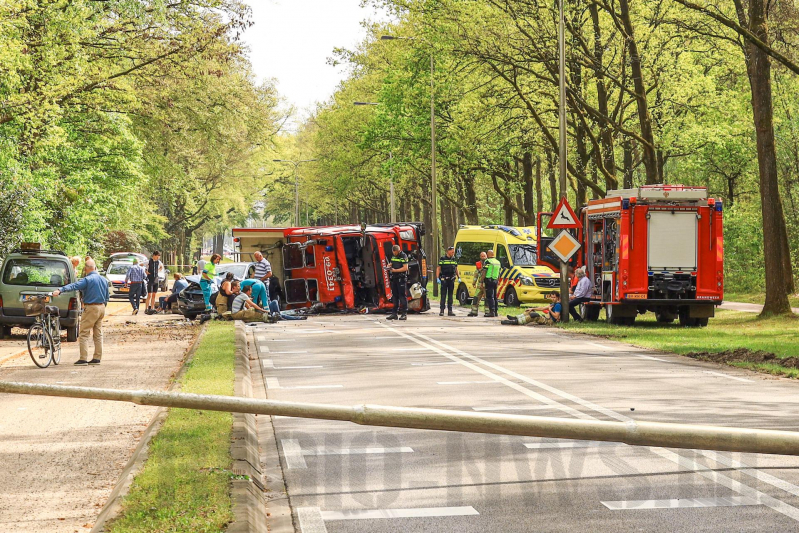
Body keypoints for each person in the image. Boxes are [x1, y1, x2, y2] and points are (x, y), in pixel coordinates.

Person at [53, 259, 109, 365]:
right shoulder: (104, 279)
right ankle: (97, 358)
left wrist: (60, 290)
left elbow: (74, 286)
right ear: (95, 268)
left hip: (91, 308)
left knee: (84, 333)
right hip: (101, 307)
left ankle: (83, 358)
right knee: (98, 333)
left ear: (86, 269)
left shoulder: (87, 280)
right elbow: (107, 296)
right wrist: (103, 305)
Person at [386, 245, 409, 320]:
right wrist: (389, 266)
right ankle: (394, 313)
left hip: (401, 278)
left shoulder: (403, 256)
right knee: (395, 296)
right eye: (393, 252)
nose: (394, 254)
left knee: (402, 296)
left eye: (395, 252)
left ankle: (404, 313)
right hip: (394, 278)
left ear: (398, 251)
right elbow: (391, 263)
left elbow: (405, 268)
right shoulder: (393, 256)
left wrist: (395, 270)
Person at [436, 246, 458, 317]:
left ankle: (450, 311)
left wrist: (459, 276)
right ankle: (442, 310)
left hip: (451, 279)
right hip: (444, 279)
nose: (453, 253)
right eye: (452, 252)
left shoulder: (454, 259)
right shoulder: (442, 259)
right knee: (443, 295)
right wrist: (437, 278)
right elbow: (438, 269)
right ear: (448, 251)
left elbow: (456, 269)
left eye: (453, 252)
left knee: (450, 295)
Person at [467, 252, 488, 317]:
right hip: (479, 284)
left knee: (487, 298)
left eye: (484, 256)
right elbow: (476, 274)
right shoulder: (478, 264)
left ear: (486, 256)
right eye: (482, 256)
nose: (483, 257)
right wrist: (474, 282)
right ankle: (474, 311)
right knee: (476, 297)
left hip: (487, 284)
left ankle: (487, 312)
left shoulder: (489, 263)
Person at [483, 249, 501, 318]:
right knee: (495, 296)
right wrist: (498, 280)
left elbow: (484, 271)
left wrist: (481, 280)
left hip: (489, 280)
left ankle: (491, 312)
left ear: (489, 254)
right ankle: (496, 311)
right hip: (495, 280)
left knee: (490, 296)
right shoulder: (498, 262)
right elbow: (499, 272)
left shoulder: (487, 261)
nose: (486, 255)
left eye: (487, 253)